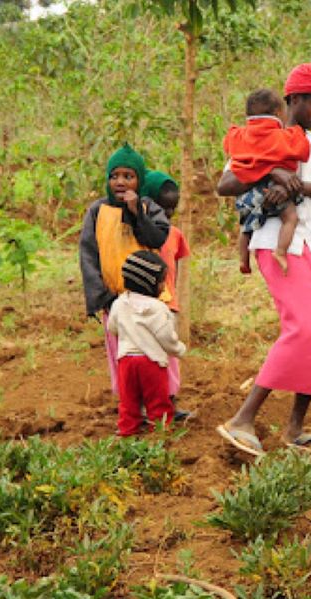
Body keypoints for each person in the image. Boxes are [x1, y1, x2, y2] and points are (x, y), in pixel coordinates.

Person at [214, 62, 311, 458]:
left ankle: (295, 427)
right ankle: (242, 419)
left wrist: (298, 184)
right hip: (277, 244)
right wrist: (271, 173)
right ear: (293, 100)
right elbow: (226, 184)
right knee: (302, 330)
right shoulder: (258, 138)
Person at [79, 144, 170, 398]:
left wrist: (135, 213)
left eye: (128, 177)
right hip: (115, 299)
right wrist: (101, 296)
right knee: (121, 352)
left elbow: (157, 239)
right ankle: (129, 403)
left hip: (151, 299)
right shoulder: (97, 211)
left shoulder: (149, 208)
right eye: (114, 176)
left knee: (158, 350)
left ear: (139, 180)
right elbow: (88, 254)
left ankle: (165, 398)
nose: (120, 182)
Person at [223, 88, 311, 276]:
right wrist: (296, 131)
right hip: (274, 188)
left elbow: (227, 145)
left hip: (248, 190)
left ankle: (243, 259)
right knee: (290, 218)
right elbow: (303, 150)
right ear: (279, 113)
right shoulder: (282, 137)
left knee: (246, 226)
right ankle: (280, 251)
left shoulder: (238, 135)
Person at [107, 251, 187, 436]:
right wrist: (179, 350)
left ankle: (127, 432)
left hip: (126, 361)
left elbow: (113, 328)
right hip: (151, 363)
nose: (163, 286)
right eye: (161, 282)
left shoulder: (119, 303)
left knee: (128, 401)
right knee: (157, 401)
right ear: (149, 284)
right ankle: (160, 434)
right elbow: (166, 337)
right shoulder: (158, 308)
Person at [140, 170, 192, 421]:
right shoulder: (139, 231)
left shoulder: (175, 234)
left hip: (166, 303)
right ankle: (145, 406)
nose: (168, 215)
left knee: (168, 358)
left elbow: (175, 269)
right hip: (143, 305)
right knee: (145, 356)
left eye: (173, 209)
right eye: (163, 207)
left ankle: (170, 402)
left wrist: (173, 301)